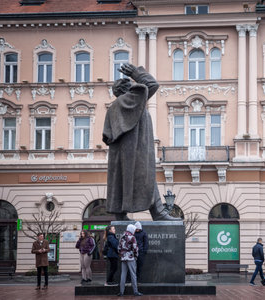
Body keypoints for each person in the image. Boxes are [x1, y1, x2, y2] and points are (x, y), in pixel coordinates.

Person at [103, 63, 180, 221]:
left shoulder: (113, 108)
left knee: (121, 181)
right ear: (128, 90)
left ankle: (120, 215)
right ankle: (157, 212)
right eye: (132, 86)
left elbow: (108, 135)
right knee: (147, 178)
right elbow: (152, 84)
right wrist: (135, 73)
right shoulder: (132, 100)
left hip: (122, 155)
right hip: (137, 151)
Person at [118, 224, 142, 297]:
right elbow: (135, 248)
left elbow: (119, 248)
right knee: (133, 274)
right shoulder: (132, 237)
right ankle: (135, 291)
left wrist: (122, 255)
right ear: (131, 229)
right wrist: (136, 255)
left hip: (123, 257)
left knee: (123, 274)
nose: (134, 231)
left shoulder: (122, 236)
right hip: (131, 257)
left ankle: (121, 292)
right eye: (134, 230)